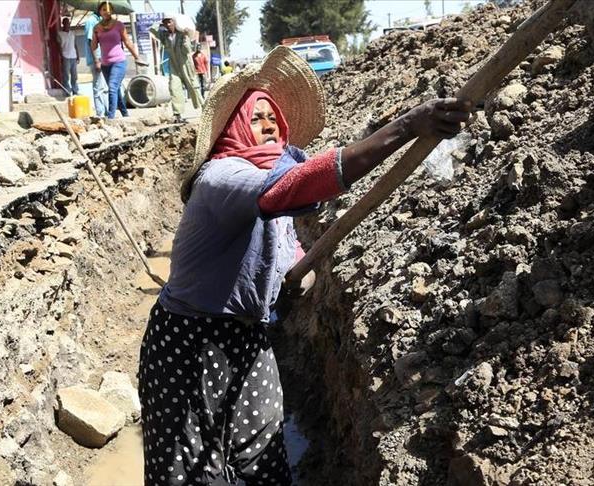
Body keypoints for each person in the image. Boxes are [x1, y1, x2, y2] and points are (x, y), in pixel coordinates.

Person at [137, 46, 471, 485]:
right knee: (194, 468)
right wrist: (406, 126)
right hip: (189, 341)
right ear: (234, 129)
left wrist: (303, 275)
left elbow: (291, 251)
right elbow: (293, 187)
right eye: (256, 118)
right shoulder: (223, 178)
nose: (269, 126)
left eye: (273, 117)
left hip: (247, 337)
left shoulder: (270, 183)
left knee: (261, 457)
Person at [90, 1, 145, 119]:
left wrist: (137, 57)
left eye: (109, 9)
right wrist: (96, 59)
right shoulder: (96, 28)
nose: (106, 12)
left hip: (119, 62)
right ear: (100, 12)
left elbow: (127, 42)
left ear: (112, 11)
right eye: (104, 9)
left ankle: (111, 117)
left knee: (112, 87)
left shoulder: (119, 25)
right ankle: (125, 114)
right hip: (105, 64)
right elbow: (93, 46)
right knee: (115, 89)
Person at [150, 17, 204, 122]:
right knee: (174, 88)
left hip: (185, 65)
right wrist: (158, 23)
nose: (167, 25)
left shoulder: (182, 35)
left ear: (175, 23)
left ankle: (205, 108)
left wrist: (185, 37)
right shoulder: (165, 36)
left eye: (169, 22)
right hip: (174, 66)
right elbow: (152, 30)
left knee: (193, 86)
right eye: (165, 23)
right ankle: (177, 114)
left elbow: (187, 50)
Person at [83, 7, 108, 117]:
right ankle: (100, 113)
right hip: (96, 59)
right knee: (98, 87)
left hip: (104, 58)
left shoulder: (100, 21)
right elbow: (91, 41)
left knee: (105, 87)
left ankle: (107, 111)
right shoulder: (91, 21)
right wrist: (97, 60)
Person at [57, 17, 79, 95]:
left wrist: (78, 55)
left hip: (73, 56)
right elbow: (59, 47)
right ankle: (67, 90)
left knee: (74, 75)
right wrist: (61, 57)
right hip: (65, 56)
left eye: (68, 23)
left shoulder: (72, 33)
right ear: (63, 24)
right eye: (65, 23)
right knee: (66, 75)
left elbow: (75, 45)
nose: (67, 25)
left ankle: (75, 90)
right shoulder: (60, 34)